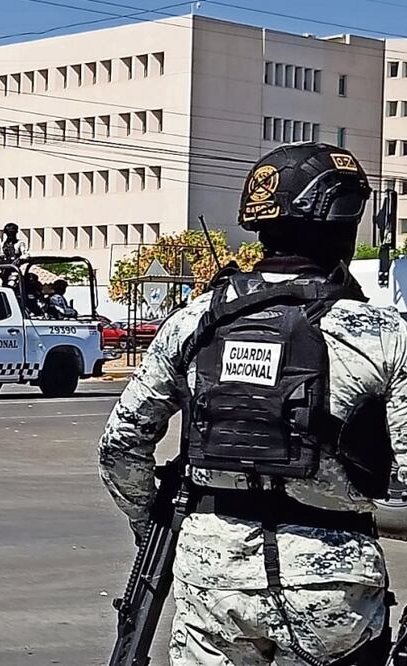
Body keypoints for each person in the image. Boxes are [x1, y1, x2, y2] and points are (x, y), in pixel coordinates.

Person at [99, 142, 407, 665]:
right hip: (331, 590)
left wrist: (150, 520)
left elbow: (120, 447)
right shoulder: (384, 334)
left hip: (212, 582)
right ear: (344, 221)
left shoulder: (195, 319)